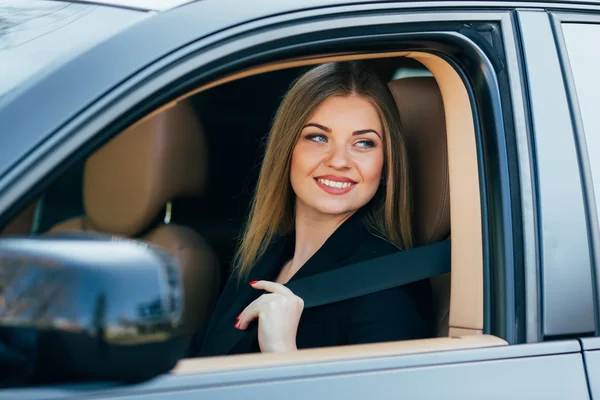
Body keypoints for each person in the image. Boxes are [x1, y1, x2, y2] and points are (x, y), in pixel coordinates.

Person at [189, 61, 432, 357]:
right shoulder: (263, 255)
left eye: (364, 143)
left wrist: (283, 353)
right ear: (287, 148)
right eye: (318, 137)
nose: (339, 160)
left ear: (386, 161)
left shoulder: (388, 291)